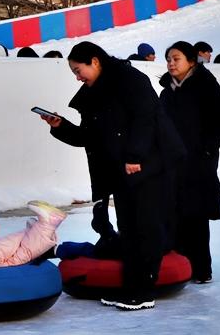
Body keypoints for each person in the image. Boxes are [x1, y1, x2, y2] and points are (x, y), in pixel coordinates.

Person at [44, 41, 182, 311]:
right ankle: (133, 288)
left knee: (145, 227)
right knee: (129, 228)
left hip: (146, 166)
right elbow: (91, 137)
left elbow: (146, 118)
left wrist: (135, 155)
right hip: (121, 170)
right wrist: (61, 127)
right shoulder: (96, 91)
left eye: (78, 69)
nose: (77, 76)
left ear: (95, 61)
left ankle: (144, 291)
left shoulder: (130, 79)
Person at [159, 41, 220, 284]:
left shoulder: (206, 85)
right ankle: (179, 267)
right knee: (174, 214)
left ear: (191, 60)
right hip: (172, 163)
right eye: (168, 59)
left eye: (176, 58)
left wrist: (207, 151)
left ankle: (201, 269)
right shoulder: (166, 92)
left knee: (196, 216)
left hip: (198, 162)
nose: (170, 63)